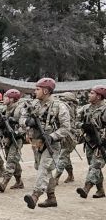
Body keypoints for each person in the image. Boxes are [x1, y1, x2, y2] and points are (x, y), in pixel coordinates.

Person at [23, 78, 70, 209]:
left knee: (44, 168)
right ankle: (51, 198)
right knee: (44, 170)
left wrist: (52, 136)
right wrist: (27, 122)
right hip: (37, 143)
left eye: (37, 89)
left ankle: (35, 196)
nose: (35, 91)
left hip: (52, 144)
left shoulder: (59, 106)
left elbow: (66, 127)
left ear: (46, 91)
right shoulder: (34, 104)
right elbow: (22, 118)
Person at [76, 85, 106, 199]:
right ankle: (100, 190)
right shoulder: (85, 108)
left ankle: (86, 188)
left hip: (102, 142)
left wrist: (103, 137)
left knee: (95, 165)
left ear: (99, 96)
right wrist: (83, 126)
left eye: (92, 93)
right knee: (94, 166)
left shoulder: (104, 109)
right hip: (89, 141)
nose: (89, 95)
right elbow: (76, 121)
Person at [0, 89, 26, 192]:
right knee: (12, 160)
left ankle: (4, 183)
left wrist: (17, 133)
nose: (3, 99)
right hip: (7, 138)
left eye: (6, 97)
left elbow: (25, 125)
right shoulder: (4, 109)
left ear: (12, 99)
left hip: (16, 139)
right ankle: (19, 182)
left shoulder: (20, 109)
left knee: (11, 159)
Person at [54, 92, 78, 184]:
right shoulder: (68, 107)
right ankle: (71, 175)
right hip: (63, 135)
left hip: (70, 136)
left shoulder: (68, 108)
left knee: (63, 156)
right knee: (65, 156)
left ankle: (56, 178)